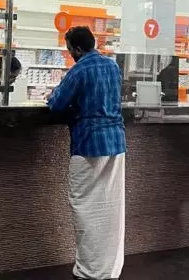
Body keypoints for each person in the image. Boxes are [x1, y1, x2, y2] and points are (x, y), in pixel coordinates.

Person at [47, 26, 126, 280]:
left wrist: (53, 96)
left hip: (88, 144)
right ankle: (109, 269)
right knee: (111, 209)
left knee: (86, 209)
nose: (70, 53)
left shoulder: (79, 69)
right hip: (115, 143)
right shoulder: (112, 66)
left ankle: (89, 271)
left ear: (78, 49)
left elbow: (56, 104)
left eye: (70, 49)